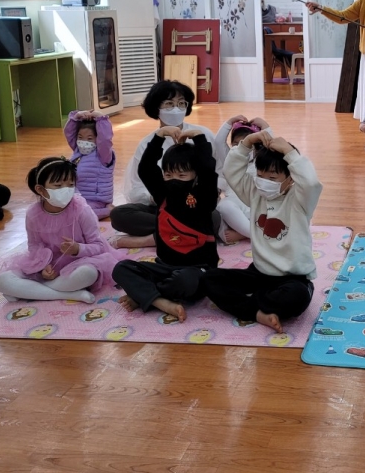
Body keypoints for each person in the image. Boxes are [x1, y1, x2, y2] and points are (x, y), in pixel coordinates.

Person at [203, 130, 323, 333]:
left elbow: (311, 182)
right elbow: (231, 172)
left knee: (297, 298)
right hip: (259, 273)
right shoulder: (256, 193)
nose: (264, 181)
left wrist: (290, 152)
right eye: (260, 175)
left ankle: (248, 304)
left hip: (293, 277)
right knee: (209, 279)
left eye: (273, 177)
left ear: (290, 178)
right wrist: (246, 143)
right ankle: (258, 312)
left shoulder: (300, 200)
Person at [112, 126, 219, 322]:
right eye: (168, 175)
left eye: (182, 176)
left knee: (187, 281)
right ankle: (160, 301)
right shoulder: (163, 194)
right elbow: (146, 168)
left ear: (195, 175)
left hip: (197, 270)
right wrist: (159, 136)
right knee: (121, 268)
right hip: (164, 268)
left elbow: (208, 171)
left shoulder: (203, 197)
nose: (174, 181)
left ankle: (145, 296)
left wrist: (200, 139)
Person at [0, 157, 121, 304]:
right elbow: (34, 246)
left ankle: (31, 291)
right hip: (49, 266)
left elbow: (99, 246)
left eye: (70, 185)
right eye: (58, 185)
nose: (66, 190)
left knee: (88, 274)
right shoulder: (33, 214)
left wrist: (77, 249)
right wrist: (43, 267)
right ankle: (71, 294)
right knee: (2, 281)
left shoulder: (81, 210)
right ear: (40, 189)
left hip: (81, 262)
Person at [109, 80, 214, 248]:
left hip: (195, 205)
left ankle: (149, 239)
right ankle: (179, 232)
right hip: (162, 206)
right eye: (169, 104)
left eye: (181, 103)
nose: (176, 108)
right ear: (156, 108)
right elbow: (138, 183)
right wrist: (157, 197)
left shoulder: (202, 134)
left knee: (216, 216)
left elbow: (218, 170)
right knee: (119, 214)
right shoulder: (148, 143)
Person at [213, 114, 273, 242]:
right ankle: (254, 234)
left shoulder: (260, 160)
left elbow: (272, 147)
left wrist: (265, 127)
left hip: (257, 208)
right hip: (236, 211)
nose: (243, 147)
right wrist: (229, 122)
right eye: (237, 144)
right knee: (223, 206)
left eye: (248, 144)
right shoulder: (230, 159)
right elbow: (218, 142)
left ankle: (249, 233)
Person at [64, 110, 115, 219]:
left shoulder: (104, 155)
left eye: (90, 138)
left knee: (80, 214)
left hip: (97, 200)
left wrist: (101, 119)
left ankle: (108, 210)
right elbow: (69, 133)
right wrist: (76, 117)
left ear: (97, 139)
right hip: (78, 198)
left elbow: (105, 140)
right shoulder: (77, 151)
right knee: (63, 211)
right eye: (80, 137)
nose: (84, 142)